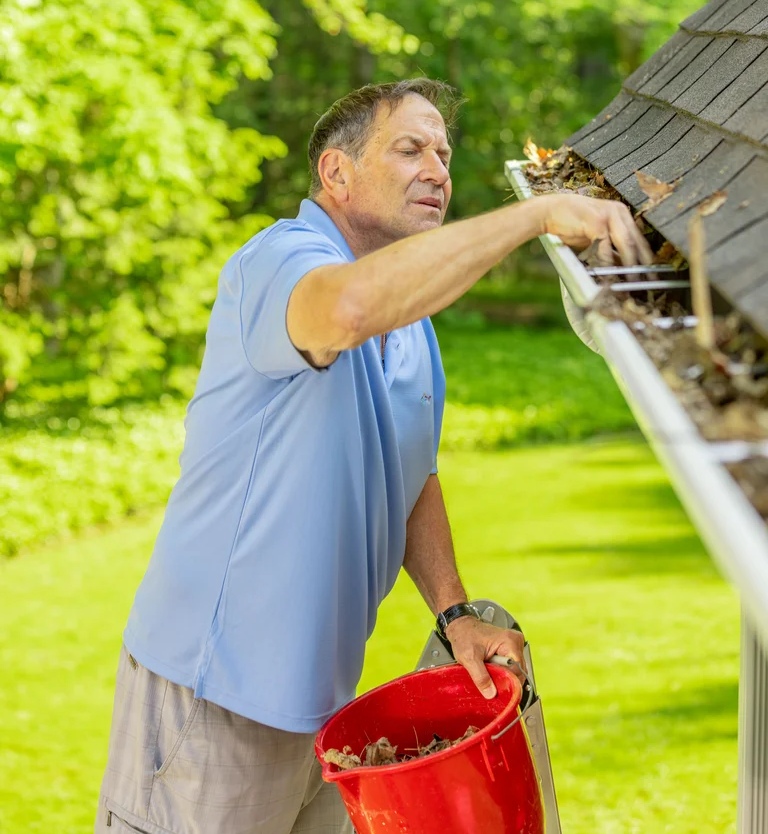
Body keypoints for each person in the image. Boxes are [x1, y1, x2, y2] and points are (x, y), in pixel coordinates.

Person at [95, 78, 653, 834]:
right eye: (411, 148)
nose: (438, 169)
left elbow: (413, 472)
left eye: (445, 154)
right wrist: (534, 216)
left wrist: (454, 612)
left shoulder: (412, 324)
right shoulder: (278, 260)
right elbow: (343, 310)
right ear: (337, 173)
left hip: (324, 709)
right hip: (212, 699)